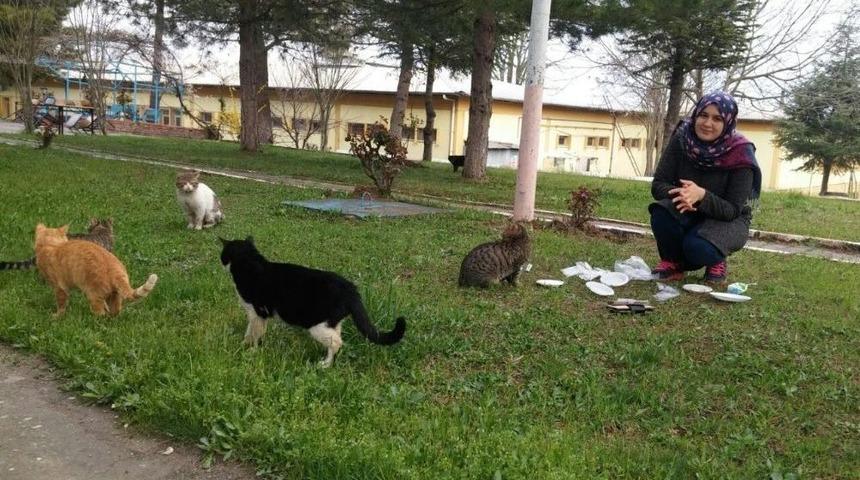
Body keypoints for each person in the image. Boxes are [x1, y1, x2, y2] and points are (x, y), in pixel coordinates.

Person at [649, 91, 762, 283]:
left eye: (717, 118)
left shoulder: (741, 152)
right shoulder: (682, 139)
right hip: (687, 208)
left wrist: (701, 195)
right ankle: (673, 263)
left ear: (728, 122)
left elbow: (733, 209)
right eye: (703, 115)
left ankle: (716, 259)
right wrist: (684, 194)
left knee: (698, 248)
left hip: (728, 219)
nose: (707, 123)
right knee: (661, 212)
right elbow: (659, 184)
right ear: (696, 115)